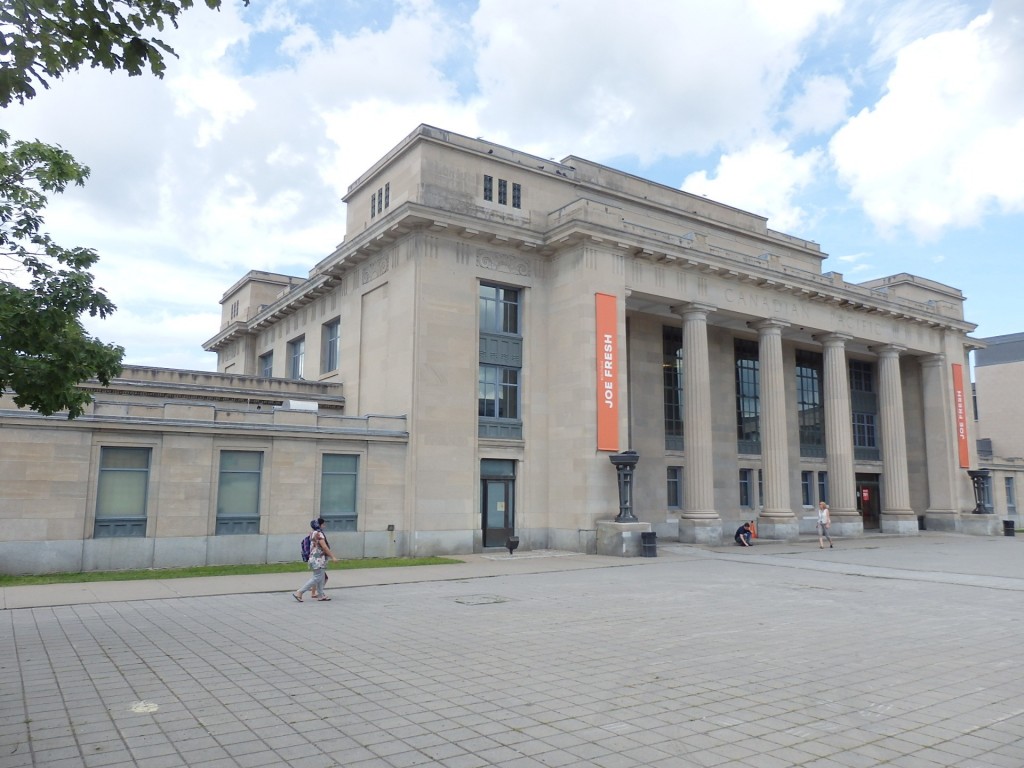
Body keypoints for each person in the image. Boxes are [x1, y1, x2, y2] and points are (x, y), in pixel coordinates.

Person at [293, 518, 337, 602]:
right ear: (319, 525)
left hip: (315, 558)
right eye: (323, 524)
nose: (324, 526)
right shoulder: (319, 534)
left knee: (321, 577)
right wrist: (333, 556)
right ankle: (299, 592)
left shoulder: (313, 533)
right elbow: (324, 547)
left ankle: (321, 595)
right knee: (317, 577)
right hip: (318, 559)